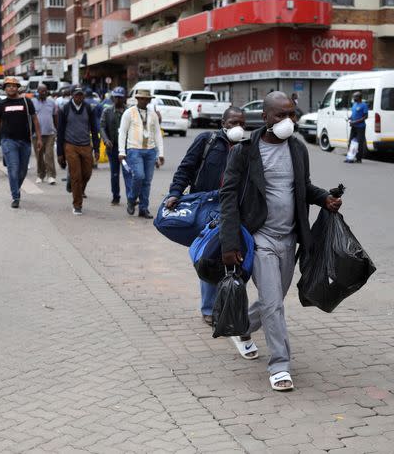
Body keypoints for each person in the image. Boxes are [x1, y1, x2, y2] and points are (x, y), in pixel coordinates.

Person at [220, 91, 343, 391]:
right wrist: (229, 244)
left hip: (290, 239)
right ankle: (280, 366)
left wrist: (324, 197)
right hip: (260, 238)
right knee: (274, 303)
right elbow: (228, 197)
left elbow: (302, 187)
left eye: (291, 114)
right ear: (264, 118)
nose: (287, 120)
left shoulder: (298, 149)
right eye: (280, 115)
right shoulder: (245, 151)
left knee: (270, 302)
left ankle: (242, 327)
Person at [165, 106, 247, 326]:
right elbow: (186, 168)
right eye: (233, 123)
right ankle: (209, 309)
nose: (237, 128)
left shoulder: (246, 148)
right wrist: (175, 193)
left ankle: (230, 304)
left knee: (237, 257)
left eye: (241, 124)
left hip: (235, 211)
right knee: (211, 257)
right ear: (223, 123)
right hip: (208, 209)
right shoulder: (207, 141)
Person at [0, 76, 43, 209]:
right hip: (8, 141)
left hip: (25, 141)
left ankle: (15, 188)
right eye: (8, 86)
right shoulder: (0, 105)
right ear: (5, 89)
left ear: (18, 88)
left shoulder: (26, 102)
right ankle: (15, 196)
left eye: (14, 86)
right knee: (13, 170)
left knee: (23, 171)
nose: (11, 88)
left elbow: (35, 120)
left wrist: (39, 138)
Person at [117, 89, 164, 218]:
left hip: (150, 150)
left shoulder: (153, 114)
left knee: (147, 181)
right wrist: (121, 151)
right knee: (139, 176)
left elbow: (157, 134)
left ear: (149, 100)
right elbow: (122, 133)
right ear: (137, 99)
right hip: (134, 150)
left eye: (147, 99)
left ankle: (143, 208)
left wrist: (161, 154)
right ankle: (131, 199)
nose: (144, 101)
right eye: (142, 98)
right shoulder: (129, 113)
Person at [57, 86, 100, 215]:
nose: (79, 97)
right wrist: (60, 152)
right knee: (76, 175)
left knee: (86, 173)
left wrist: (96, 149)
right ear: (72, 95)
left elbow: (94, 129)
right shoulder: (64, 109)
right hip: (70, 145)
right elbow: (60, 132)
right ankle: (77, 205)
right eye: (76, 95)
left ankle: (75, 187)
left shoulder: (88, 109)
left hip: (86, 145)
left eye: (81, 95)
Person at [100, 87, 132, 205]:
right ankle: (116, 196)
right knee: (114, 173)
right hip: (113, 148)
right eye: (116, 97)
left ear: (124, 98)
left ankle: (130, 198)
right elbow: (102, 127)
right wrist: (106, 140)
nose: (117, 99)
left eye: (120, 97)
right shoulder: (107, 111)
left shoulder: (129, 112)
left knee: (128, 173)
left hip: (126, 148)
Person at [32, 84, 59, 185]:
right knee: (39, 156)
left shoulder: (52, 102)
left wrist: (57, 129)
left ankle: (51, 175)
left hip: (50, 133)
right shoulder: (33, 102)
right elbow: (30, 118)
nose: (43, 93)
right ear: (37, 92)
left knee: (49, 155)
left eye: (45, 91)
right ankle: (40, 175)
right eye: (41, 91)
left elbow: (55, 116)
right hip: (36, 135)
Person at [345, 91, 368, 163]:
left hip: (360, 127)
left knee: (359, 143)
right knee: (350, 142)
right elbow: (353, 115)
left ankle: (358, 159)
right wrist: (349, 118)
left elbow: (365, 116)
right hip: (354, 126)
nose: (353, 98)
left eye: (355, 97)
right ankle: (350, 157)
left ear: (359, 97)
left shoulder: (364, 105)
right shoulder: (354, 105)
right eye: (353, 96)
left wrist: (355, 122)